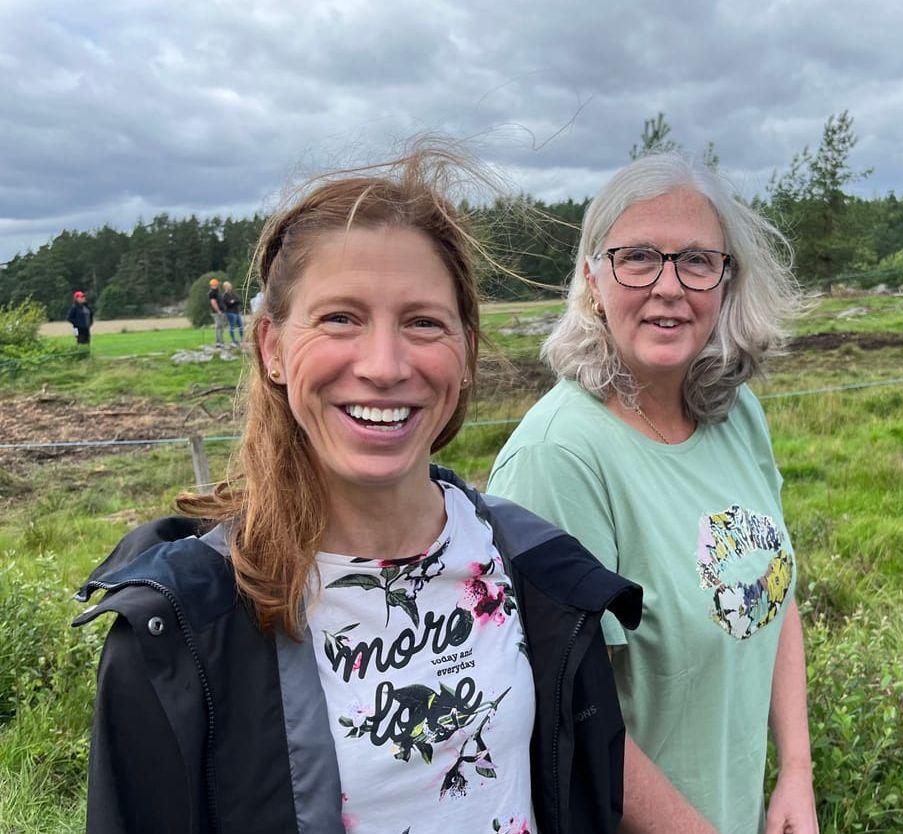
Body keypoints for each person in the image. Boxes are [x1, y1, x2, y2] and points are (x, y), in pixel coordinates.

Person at [75, 145, 641, 834]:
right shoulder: (179, 631)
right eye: (339, 318)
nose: (383, 365)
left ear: (464, 350)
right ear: (271, 348)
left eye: (423, 322)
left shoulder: (540, 574)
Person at [488, 153, 817, 834]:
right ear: (590, 278)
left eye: (696, 261)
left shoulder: (735, 414)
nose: (669, 286)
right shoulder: (562, 455)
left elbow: (774, 592)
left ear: (726, 281)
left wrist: (796, 775)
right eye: (637, 257)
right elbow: (574, 714)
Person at [220, 280, 244, 344]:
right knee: (232, 326)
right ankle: (233, 340)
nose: (230, 287)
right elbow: (228, 303)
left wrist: (233, 301)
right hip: (230, 312)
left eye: (230, 286)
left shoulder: (233, 294)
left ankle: (242, 338)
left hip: (237, 311)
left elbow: (239, 300)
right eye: (228, 286)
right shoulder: (224, 296)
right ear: (225, 287)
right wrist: (233, 302)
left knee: (240, 325)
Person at [206, 277, 226, 346]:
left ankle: (221, 341)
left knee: (221, 327)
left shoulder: (217, 292)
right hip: (217, 312)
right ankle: (218, 342)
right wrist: (218, 311)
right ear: (212, 285)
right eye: (215, 284)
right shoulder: (212, 293)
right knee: (218, 326)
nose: (216, 285)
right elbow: (213, 303)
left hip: (220, 312)